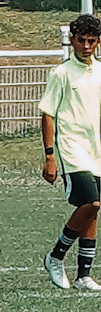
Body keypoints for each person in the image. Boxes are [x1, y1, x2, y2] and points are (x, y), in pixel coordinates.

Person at [39, 14, 101, 291]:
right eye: (81, 40)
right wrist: (50, 155)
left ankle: (83, 275)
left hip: (96, 150)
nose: (86, 46)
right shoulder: (61, 73)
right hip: (71, 149)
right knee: (92, 202)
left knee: (92, 211)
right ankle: (55, 256)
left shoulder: (99, 71)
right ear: (72, 40)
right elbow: (48, 114)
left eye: (91, 41)